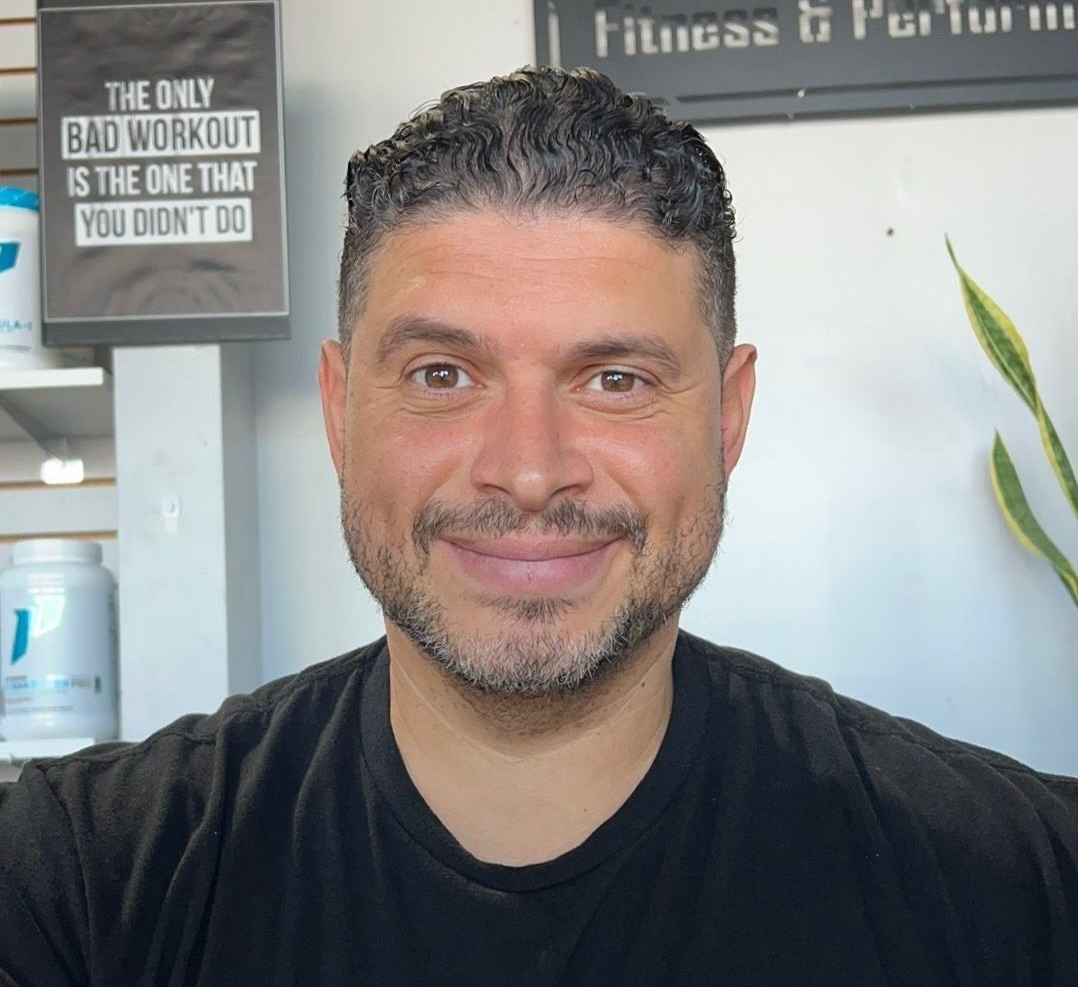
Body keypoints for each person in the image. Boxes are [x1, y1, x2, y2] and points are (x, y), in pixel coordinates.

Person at [1, 67, 1076, 986]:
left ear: (726, 416)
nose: (526, 468)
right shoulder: (80, 885)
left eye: (614, 378)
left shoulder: (1017, 883)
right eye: (440, 373)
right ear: (342, 412)